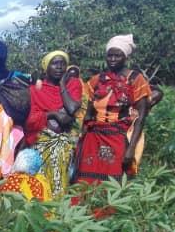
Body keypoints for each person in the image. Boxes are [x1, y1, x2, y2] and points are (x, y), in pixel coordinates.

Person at [75, 35, 151, 185]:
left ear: (125, 57)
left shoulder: (135, 79)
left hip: (119, 136)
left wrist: (131, 149)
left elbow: (141, 118)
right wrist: (80, 137)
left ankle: (107, 209)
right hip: (93, 136)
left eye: (117, 55)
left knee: (113, 181)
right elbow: (88, 112)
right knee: (87, 179)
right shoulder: (97, 79)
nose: (113, 59)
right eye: (110, 55)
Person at [25, 51, 83, 197]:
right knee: (40, 183)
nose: (59, 67)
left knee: (63, 183)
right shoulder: (35, 89)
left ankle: (58, 214)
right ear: (46, 67)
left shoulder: (73, 84)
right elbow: (29, 119)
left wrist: (62, 83)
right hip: (41, 142)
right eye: (55, 63)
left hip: (65, 142)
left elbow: (71, 109)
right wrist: (52, 114)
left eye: (63, 63)